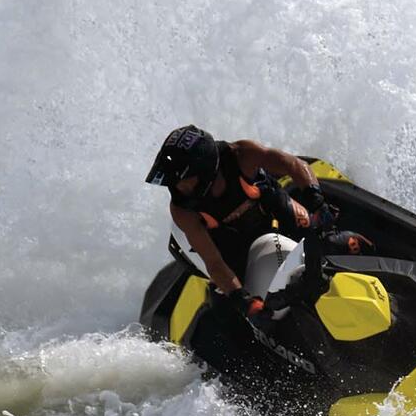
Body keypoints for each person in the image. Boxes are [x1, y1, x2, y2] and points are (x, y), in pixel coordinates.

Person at [145, 125, 373, 318]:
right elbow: (214, 263)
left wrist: (317, 202)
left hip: (277, 216)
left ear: (204, 169)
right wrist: (243, 300)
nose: (178, 188)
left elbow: (294, 165)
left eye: (183, 180)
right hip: (235, 250)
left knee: (343, 244)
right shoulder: (182, 210)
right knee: (232, 312)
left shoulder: (243, 154)